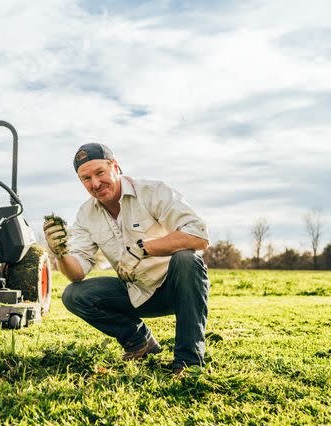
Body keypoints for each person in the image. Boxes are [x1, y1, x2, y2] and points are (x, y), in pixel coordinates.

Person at [44, 143, 210, 376]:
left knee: (186, 259)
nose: (95, 183)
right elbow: (77, 272)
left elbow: (198, 236)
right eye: (86, 178)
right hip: (137, 292)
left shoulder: (153, 192)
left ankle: (188, 362)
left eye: (100, 173)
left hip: (178, 289)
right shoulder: (85, 215)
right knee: (74, 294)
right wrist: (59, 253)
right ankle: (140, 342)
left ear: (115, 167)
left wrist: (143, 249)